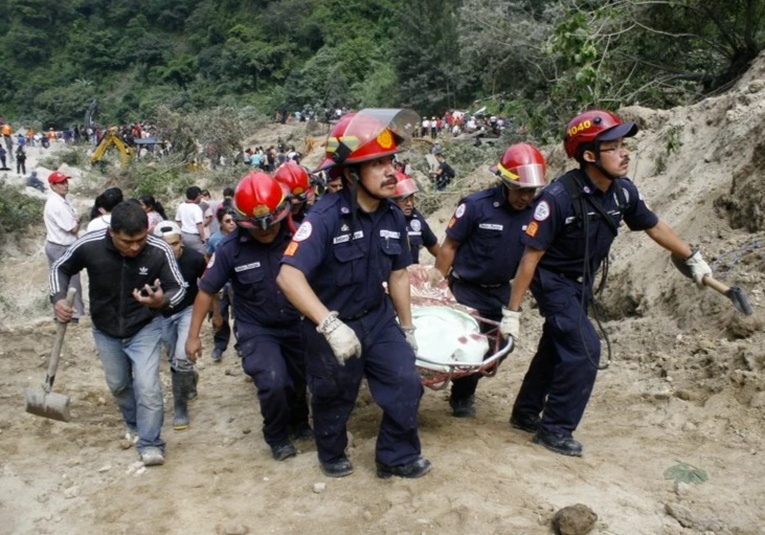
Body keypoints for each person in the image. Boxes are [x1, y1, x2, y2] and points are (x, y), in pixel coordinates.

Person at [506, 110, 712, 457]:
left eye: (623, 145)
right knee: (585, 348)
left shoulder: (623, 193)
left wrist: (690, 255)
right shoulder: (557, 198)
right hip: (552, 281)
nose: (625, 152)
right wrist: (512, 311)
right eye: (613, 147)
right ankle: (554, 430)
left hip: (581, 282)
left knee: (557, 345)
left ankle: (525, 412)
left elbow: (653, 225)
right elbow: (530, 258)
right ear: (589, 156)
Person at [277, 109, 431, 479]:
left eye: (390, 160)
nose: (391, 171)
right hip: (329, 323)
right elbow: (288, 276)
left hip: (377, 319)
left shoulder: (394, 216)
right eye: (377, 164)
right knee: (333, 396)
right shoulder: (325, 217)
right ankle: (331, 452)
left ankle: (395, 456)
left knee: (406, 382)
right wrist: (329, 325)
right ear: (350, 174)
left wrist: (407, 328)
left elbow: (398, 275)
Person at [185, 172, 312, 461]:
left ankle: (300, 421)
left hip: (297, 323)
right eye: (257, 228)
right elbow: (206, 291)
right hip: (258, 328)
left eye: (271, 226)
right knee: (273, 381)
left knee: (298, 378)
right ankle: (277, 435)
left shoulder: (299, 238)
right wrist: (193, 337)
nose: (266, 232)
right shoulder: (230, 250)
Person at [50, 201, 186, 466]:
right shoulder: (88, 245)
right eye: (127, 241)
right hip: (105, 329)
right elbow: (60, 267)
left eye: (140, 240)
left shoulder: (158, 250)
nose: (135, 247)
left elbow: (178, 287)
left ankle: (150, 442)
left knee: (148, 388)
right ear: (112, 233)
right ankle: (133, 423)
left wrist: (162, 301)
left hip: (144, 327)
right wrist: (58, 299)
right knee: (119, 384)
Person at [430, 143, 547, 417]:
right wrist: (437, 289)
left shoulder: (536, 212)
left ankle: (468, 379)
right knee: (469, 346)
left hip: (500, 293)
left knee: (499, 348)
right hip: (466, 291)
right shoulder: (475, 206)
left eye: (532, 191)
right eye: (521, 190)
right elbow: (448, 248)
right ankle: (462, 396)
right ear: (505, 183)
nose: (526, 197)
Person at [154, 220, 206, 430]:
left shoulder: (194, 259)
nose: (172, 249)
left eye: (174, 244)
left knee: (181, 358)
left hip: (187, 311)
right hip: (162, 315)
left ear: (181, 241)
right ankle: (189, 379)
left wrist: (217, 313)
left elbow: (208, 286)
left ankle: (180, 407)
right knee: (172, 356)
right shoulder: (150, 262)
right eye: (166, 245)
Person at [43, 170, 84, 322]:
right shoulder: (56, 204)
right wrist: (80, 220)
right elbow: (72, 228)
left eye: (66, 181)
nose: (65, 185)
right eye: (61, 183)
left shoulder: (61, 201)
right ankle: (74, 315)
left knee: (60, 280)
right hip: (61, 246)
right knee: (70, 281)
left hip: (59, 245)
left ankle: (64, 314)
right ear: (53, 186)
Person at [205, 207, 238, 362]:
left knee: (241, 316)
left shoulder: (242, 237)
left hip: (238, 284)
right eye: (227, 221)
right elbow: (208, 256)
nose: (232, 224)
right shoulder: (214, 239)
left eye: (233, 220)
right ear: (220, 223)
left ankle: (243, 347)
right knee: (220, 315)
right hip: (222, 285)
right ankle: (219, 346)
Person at [392, 172, 440, 264]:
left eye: (411, 198)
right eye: (404, 199)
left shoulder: (416, 218)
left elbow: (433, 246)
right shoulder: (384, 222)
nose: (409, 203)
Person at [273, 160, 315, 230]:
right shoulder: (274, 226)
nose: (296, 206)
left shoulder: (313, 213)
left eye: (300, 202)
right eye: (292, 203)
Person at [175, 186, 206, 254]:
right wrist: (203, 238)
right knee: (203, 255)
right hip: (193, 237)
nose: (201, 197)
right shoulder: (196, 208)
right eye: (200, 195)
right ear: (197, 195)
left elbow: (178, 221)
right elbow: (199, 225)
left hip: (183, 235)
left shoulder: (181, 206)